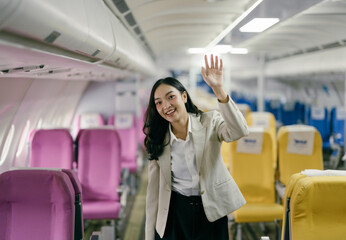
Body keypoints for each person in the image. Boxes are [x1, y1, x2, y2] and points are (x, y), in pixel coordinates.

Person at [144, 54, 249, 240]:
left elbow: (239, 131)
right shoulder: (158, 138)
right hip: (174, 211)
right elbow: (153, 192)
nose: (165, 106)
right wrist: (149, 235)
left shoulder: (210, 122)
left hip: (211, 209)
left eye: (170, 97)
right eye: (158, 102)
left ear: (184, 97)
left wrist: (219, 90)